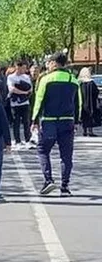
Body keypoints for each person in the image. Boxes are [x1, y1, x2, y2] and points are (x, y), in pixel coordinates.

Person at [31, 52, 82, 196]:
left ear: (54, 63)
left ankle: (48, 180)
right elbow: (79, 103)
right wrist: (77, 121)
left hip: (49, 121)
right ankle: (65, 186)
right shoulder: (73, 80)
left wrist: (34, 120)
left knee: (42, 150)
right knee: (66, 155)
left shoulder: (46, 79)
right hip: (67, 121)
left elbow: (39, 100)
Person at [7, 61, 33, 148]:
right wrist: (23, 92)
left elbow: (30, 89)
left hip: (25, 103)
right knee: (16, 122)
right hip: (15, 104)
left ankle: (27, 140)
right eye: (23, 68)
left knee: (26, 121)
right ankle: (17, 141)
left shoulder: (26, 77)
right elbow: (12, 89)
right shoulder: (11, 77)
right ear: (17, 67)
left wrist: (25, 92)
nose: (24, 70)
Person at [79, 67, 99, 137]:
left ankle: (84, 131)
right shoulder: (91, 83)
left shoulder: (80, 83)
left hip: (83, 103)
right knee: (90, 115)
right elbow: (96, 92)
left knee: (84, 116)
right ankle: (90, 131)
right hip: (91, 103)